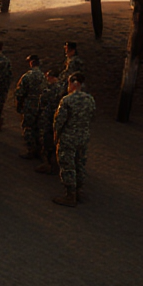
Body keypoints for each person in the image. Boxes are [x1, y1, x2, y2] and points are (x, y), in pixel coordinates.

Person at [52, 72, 96, 207]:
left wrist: (56, 136)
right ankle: (78, 190)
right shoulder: (90, 99)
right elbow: (92, 117)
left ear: (72, 83)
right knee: (80, 163)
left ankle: (70, 195)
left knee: (67, 165)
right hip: (83, 136)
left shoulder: (67, 100)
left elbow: (59, 121)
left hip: (68, 137)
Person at [14, 55, 46, 159]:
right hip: (41, 105)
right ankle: (39, 149)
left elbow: (20, 92)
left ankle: (31, 149)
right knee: (38, 128)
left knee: (28, 127)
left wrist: (18, 104)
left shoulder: (27, 76)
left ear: (31, 63)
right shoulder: (44, 76)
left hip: (29, 105)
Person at [35, 68, 67, 175]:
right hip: (58, 118)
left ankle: (48, 164)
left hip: (48, 117)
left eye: (48, 76)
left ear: (53, 77)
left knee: (46, 139)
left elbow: (42, 102)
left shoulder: (49, 89)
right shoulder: (63, 88)